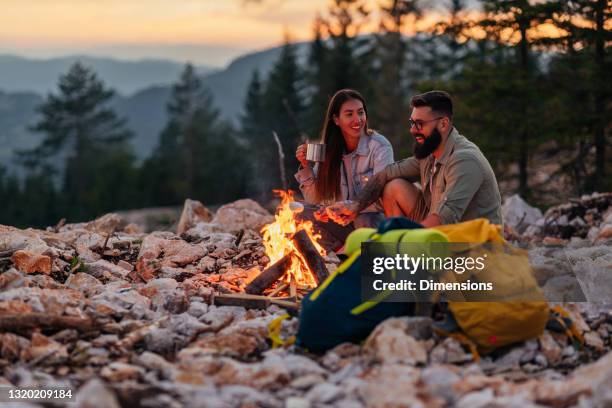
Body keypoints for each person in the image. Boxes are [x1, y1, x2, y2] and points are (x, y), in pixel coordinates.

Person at [326, 90, 502, 228]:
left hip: (473, 248)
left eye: (420, 124)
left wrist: (402, 236)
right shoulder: (430, 151)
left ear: (443, 124)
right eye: (412, 123)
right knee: (393, 186)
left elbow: (444, 219)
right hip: (441, 234)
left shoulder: (464, 160)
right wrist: (356, 205)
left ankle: (406, 259)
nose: (413, 130)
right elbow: (386, 174)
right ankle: (404, 259)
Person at [294, 89, 394, 250]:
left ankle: (356, 254)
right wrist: (305, 165)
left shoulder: (379, 146)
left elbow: (384, 197)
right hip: (343, 224)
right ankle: (339, 253)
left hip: (372, 224)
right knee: (298, 211)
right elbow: (314, 199)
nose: (358, 119)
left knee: (364, 218)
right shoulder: (329, 150)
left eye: (360, 113)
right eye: (349, 114)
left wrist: (348, 207)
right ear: (336, 119)